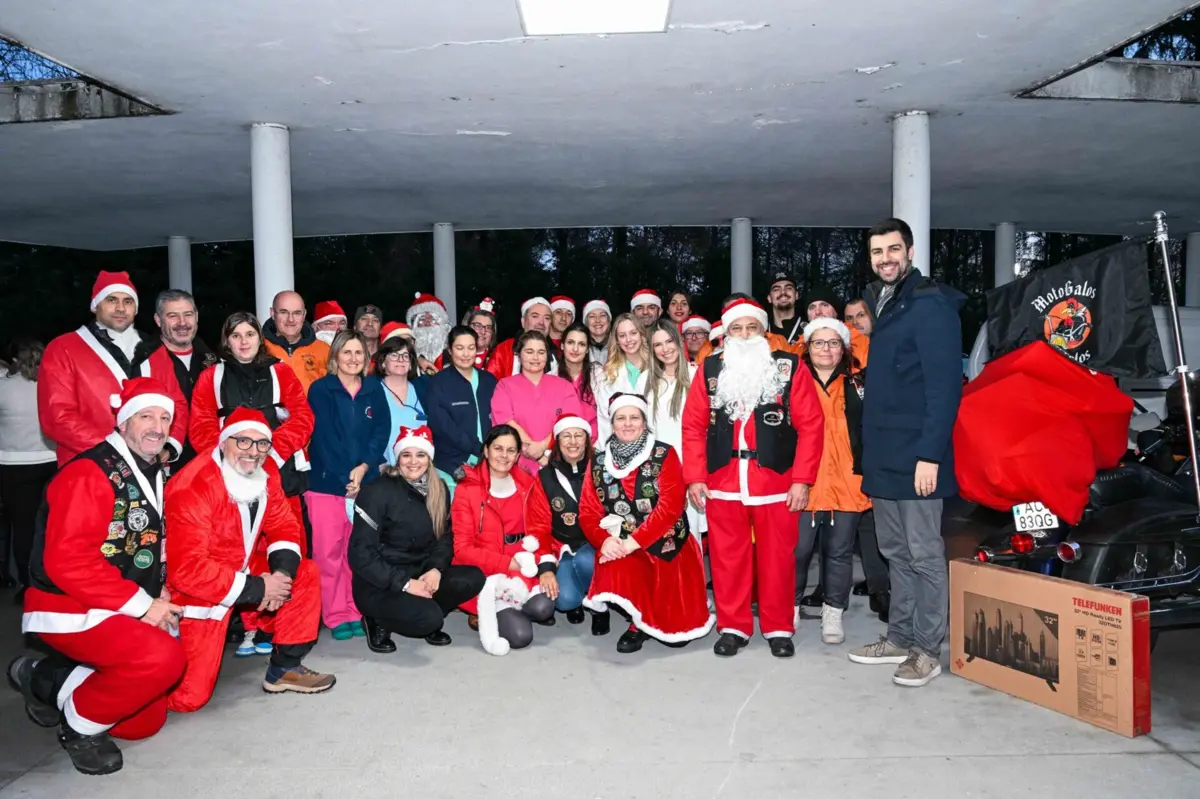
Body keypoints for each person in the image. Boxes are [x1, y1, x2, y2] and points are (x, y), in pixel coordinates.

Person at [13, 378, 184, 775]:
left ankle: (43, 680)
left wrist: (159, 590)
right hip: (67, 604)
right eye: (146, 416)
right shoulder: (88, 473)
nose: (157, 427)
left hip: (116, 599)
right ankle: (78, 731)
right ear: (123, 422)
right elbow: (68, 563)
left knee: (142, 723)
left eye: (164, 418)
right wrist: (144, 606)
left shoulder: (150, 468)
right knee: (162, 660)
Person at [848, 217, 964, 688]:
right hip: (884, 456)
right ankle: (899, 637)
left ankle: (927, 650)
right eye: (878, 252)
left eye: (893, 249)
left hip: (918, 458)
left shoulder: (930, 304)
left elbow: (943, 388)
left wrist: (930, 455)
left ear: (910, 252)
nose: (886, 259)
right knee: (894, 551)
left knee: (924, 554)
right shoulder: (884, 301)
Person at [165, 408, 335, 710]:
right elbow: (187, 570)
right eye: (243, 441)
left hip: (242, 570)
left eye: (262, 443)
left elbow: (283, 524)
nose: (253, 452)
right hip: (197, 589)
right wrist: (260, 588)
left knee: (304, 572)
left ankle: (284, 668)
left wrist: (281, 575)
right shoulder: (193, 484)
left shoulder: (265, 472)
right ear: (223, 442)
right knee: (187, 699)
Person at [682, 298, 824, 658]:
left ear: (764, 331)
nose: (744, 335)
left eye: (752, 328)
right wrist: (695, 477)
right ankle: (733, 626)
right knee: (727, 560)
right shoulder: (710, 368)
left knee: (778, 560)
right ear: (726, 334)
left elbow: (811, 425)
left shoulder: (789, 367)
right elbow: (693, 426)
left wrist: (802, 480)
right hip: (723, 481)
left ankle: (778, 628)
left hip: (775, 483)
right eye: (737, 328)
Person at [189, 311, 315, 657]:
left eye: (249, 334)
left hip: (278, 473)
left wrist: (272, 453)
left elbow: (303, 417)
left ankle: (282, 626)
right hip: (230, 477)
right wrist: (229, 460)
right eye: (236, 335)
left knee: (287, 545)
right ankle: (251, 626)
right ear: (226, 341)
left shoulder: (280, 372)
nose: (243, 341)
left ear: (260, 338)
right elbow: (200, 426)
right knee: (240, 550)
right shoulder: (211, 377)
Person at [580, 393, 713, 653]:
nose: (628, 424)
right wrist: (604, 541)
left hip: (667, 541)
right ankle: (637, 622)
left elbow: (670, 507)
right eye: (621, 418)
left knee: (678, 637)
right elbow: (587, 511)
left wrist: (634, 542)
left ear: (644, 422)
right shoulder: (598, 462)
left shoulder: (664, 453)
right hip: (621, 542)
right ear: (612, 424)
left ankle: (660, 615)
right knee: (612, 562)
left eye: (634, 417)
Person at [349, 426, 485, 653]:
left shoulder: (439, 489)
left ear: (429, 458)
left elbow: (444, 538)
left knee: (473, 578)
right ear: (398, 459)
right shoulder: (376, 491)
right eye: (406, 455)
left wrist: (435, 570)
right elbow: (360, 553)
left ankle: (425, 608)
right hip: (380, 583)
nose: (413, 462)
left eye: (420, 454)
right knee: (429, 619)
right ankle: (377, 620)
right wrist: (405, 584)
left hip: (418, 570)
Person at [38, 270, 189, 466]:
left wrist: (168, 445)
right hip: (88, 463)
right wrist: (116, 451)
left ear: (135, 308)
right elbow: (57, 417)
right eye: (111, 300)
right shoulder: (63, 348)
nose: (120, 308)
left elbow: (177, 403)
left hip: (150, 465)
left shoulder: (154, 349)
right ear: (95, 306)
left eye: (128, 301)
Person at [306, 331, 390, 640]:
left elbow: (381, 431)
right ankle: (335, 613)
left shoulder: (373, 388)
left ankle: (356, 609)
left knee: (357, 552)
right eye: (347, 352)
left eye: (359, 353)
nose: (353, 359)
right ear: (335, 356)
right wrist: (346, 477)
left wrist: (364, 467)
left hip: (365, 483)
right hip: (326, 484)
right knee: (328, 553)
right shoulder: (321, 389)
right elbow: (325, 437)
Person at [794, 318, 873, 645]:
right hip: (804, 481)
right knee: (797, 550)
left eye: (833, 342)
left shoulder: (858, 384)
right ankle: (790, 606)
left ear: (843, 348)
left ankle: (833, 611)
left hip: (847, 480)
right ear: (807, 347)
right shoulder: (792, 383)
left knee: (839, 551)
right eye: (818, 342)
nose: (825, 349)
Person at [451, 425, 558, 651]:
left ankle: (506, 610)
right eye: (498, 448)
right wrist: (506, 563)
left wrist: (544, 566)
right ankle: (490, 608)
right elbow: (461, 548)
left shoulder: (528, 484)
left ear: (518, 455)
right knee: (520, 637)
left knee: (544, 607)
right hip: (487, 568)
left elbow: (540, 529)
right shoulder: (467, 489)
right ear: (486, 450)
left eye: (511, 450)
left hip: (522, 564)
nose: (504, 456)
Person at [525, 414, 609, 634]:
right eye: (566, 436)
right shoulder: (545, 477)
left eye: (578, 435)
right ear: (557, 442)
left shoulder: (603, 469)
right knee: (564, 601)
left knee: (585, 560)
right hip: (562, 548)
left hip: (597, 545)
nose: (572, 442)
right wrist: (546, 569)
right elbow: (538, 526)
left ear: (587, 440)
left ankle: (600, 607)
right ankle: (579, 598)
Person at [0, 339, 57, 597]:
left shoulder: (4, 387)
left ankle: (27, 583)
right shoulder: (53, 386)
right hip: (52, 462)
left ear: (14, 360)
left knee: (22, 527)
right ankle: (50, 578)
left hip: (14, 466)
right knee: (51, 525)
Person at [490, 331, 581, 474]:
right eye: (529, 352)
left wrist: (543, 447)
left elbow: (569, 423)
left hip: (556, 464)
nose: (535, 357)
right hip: (515, 466)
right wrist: (533, 451)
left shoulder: (564, 386)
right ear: (519, 355)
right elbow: (506, 422)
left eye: (541, 352)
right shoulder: (504, 386)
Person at [647, 320, 705, 541]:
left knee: (690, 534)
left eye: (669, 341)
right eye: (658, 345)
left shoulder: (697, 375)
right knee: (662, 534)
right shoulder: (646, 381)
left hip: (691, 467)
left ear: (679, 341)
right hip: (659, 469)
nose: (665, 349)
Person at [150, 290, 218, 466]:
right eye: (173, 316)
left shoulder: (214, 360)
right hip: (162, 460)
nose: (182, 323)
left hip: (208, 460)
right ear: (158, 320)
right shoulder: (143, 361)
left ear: (196, 316)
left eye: (188, 314)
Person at [425, 326, 498, 477]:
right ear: (450, 350)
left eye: (471, 348)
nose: (466, 354)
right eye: (460, 348)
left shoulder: (489, 381)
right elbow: (443, 426)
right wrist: (479, 449)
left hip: (490, 460)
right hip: (452, 462)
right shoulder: (438, 383)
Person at [594, 313, 657, 449]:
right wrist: (606, 452)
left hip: (656, 444)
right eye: (622, 336)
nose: (628, 340)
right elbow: (604, 417)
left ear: (641, 334)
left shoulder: (657, 368)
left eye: (633, 333)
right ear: (616, 340)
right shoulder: (609, 374)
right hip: (620, 448)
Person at [693, 293, 795, 366]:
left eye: (751, 327)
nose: (744, 335)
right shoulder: (709, 357)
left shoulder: (779, 342)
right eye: (732, 310)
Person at [262, 290, 330, 393]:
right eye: (284, 312)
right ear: (272, 313)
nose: (290, 319)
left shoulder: (324, 350)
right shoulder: (259, 349)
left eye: (297, 313)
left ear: (304, 314)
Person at [375, 334, 426, 463]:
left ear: (411, 364)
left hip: (419, 467)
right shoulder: (372, 392)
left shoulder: (423, 390)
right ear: (383, 362)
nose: (400, 360)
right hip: (383, 468)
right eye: (394, 355)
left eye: (405, 356)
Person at [793, 284, 870, 368]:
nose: (818, 312)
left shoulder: (858, 341)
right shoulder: (799, 346)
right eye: (812, 307)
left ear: (836, 312)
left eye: (824, 305)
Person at [485, 296, 558, 380]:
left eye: (547, 318)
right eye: (535, 316)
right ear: (523, 321)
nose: (541, 323)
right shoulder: (504, 349)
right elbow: (489, 383)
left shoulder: (554, 355)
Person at [558, 322, 600, 439]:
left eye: (581, 344)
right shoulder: (551, 378)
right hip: (561, 444)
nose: (575, 349)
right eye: (570, 342)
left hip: (595, 444)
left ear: (587, 350)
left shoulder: (599, 375)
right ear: (562, 345)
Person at [407, 293, 452, 375]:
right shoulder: (406, 360)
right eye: (422, 319)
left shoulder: (454, 354)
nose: (427, 323)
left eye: (432, 319)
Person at [766, 272, 801, 342]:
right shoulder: (761, 331)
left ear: (796, 295)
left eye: (788, 288)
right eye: (776, 289)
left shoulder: (809, 331)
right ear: (769, 298)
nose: (783, 292)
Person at [463, 299, 498, 369]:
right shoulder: (452, 356)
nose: (483, 332)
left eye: (488, 327)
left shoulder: (499, 358)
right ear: (467, 327)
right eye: (478, 326)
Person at [582, 299, 612, 364]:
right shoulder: (580, 346)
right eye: (592, 316)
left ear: (608, 320)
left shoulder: (619, 344)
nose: (598, 320)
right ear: (586, 322)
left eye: (602, 315)